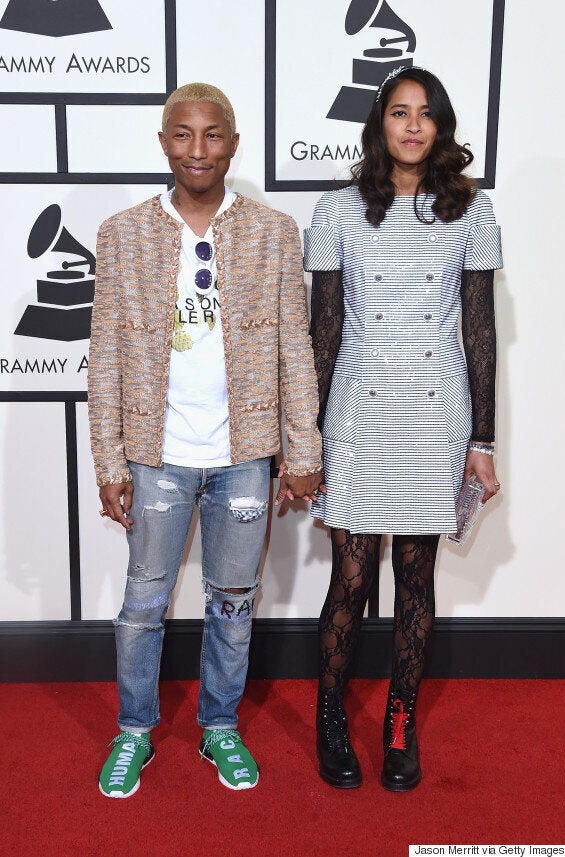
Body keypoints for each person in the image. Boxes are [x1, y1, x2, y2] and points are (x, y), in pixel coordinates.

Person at [88, 82, 323, 798]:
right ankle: (134, 730)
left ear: (233, 143)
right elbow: (103, 355)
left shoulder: (274, 231)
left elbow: (294, 344)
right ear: (164, 142)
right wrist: (108, 458)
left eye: (213, 134)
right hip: (155, 454)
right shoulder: (123, 233)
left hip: (244, 453)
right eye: (183, 134)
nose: (198, 149)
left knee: (232, 598)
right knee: (143, 603)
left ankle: (219, 724)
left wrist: (302, 450)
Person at [304, 67, 502, 791]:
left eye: (425, 114)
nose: (412, 126)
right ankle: (331, 718)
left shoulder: (472, 213)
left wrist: (483, 440)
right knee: (349, 581)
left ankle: (398, 723)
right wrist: (307, 436)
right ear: (379, 125)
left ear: (441, 127)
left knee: (416, 577)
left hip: (432, 408)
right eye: (398, 112)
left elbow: (478, 332)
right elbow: (323, 331)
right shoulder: (335, 211)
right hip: (357, 405)